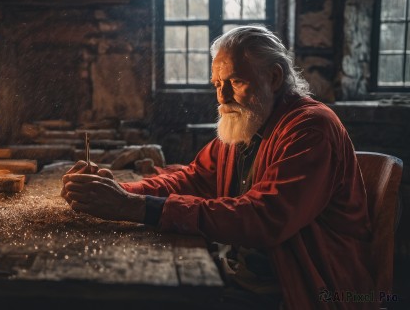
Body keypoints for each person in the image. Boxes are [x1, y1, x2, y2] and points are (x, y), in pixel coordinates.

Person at [62, 26, 376, 309]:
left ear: (275, 78)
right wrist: (115, 191)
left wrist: (136, 207)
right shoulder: (248, 123)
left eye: (236, 81)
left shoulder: (311, 128)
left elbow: (264, 218)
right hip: (249, 278)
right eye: (217, 83)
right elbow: (192, 180)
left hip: (304, 290)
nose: (222, 97)